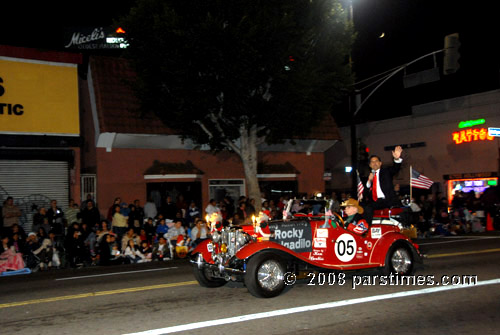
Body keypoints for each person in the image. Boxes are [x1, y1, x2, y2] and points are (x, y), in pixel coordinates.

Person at [363, 145, 403, 225]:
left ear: (380, 163)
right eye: (372, 162)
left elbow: (395, 169)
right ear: (370, 165)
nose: (374, 163)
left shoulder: (386, 171)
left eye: (376, 161)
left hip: (388, 200)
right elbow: (365, 194)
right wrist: (369, 182)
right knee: (366, 208)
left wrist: (396, 159)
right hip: (376, 201)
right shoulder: (367, 177)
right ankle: (367, 229)